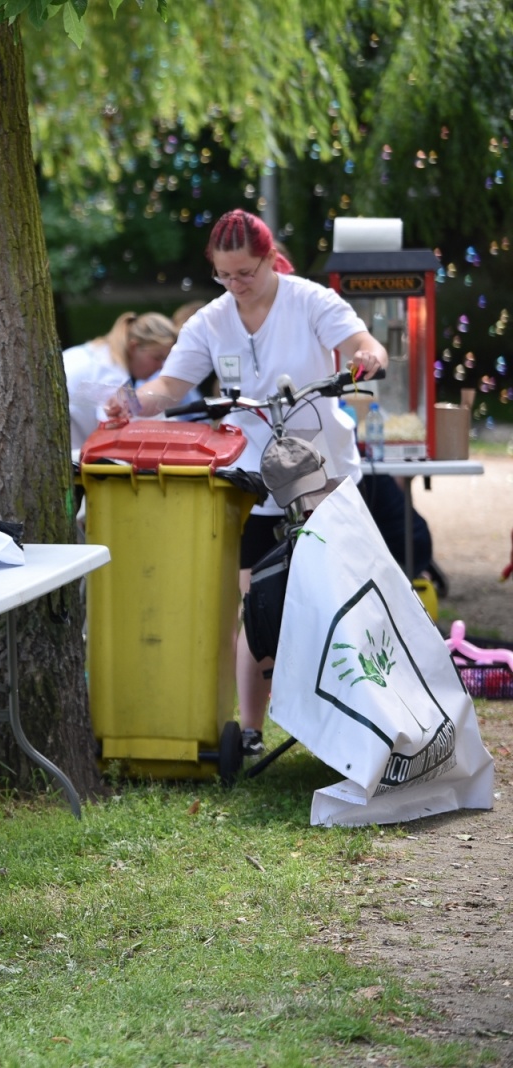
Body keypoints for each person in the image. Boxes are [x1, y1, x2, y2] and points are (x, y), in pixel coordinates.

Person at [107, 209, 388, 756]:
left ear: (268, 259)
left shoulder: (310, 301)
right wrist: (135, 403)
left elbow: (363, 343)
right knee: (255, 604)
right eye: (224, 275)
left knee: (339, 595)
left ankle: (361, 719)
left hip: (320, 471)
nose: (236, 285)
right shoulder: (211, 321)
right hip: (251, 477)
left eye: (246, 274)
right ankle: (253, 730)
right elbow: (171, 383)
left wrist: (365, 359)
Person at [63, 311, 180, 451]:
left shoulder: (99, 352)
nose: (161, 366)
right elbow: (116, 435)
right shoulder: (114, 375)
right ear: (133, 347)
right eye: (157, 358)